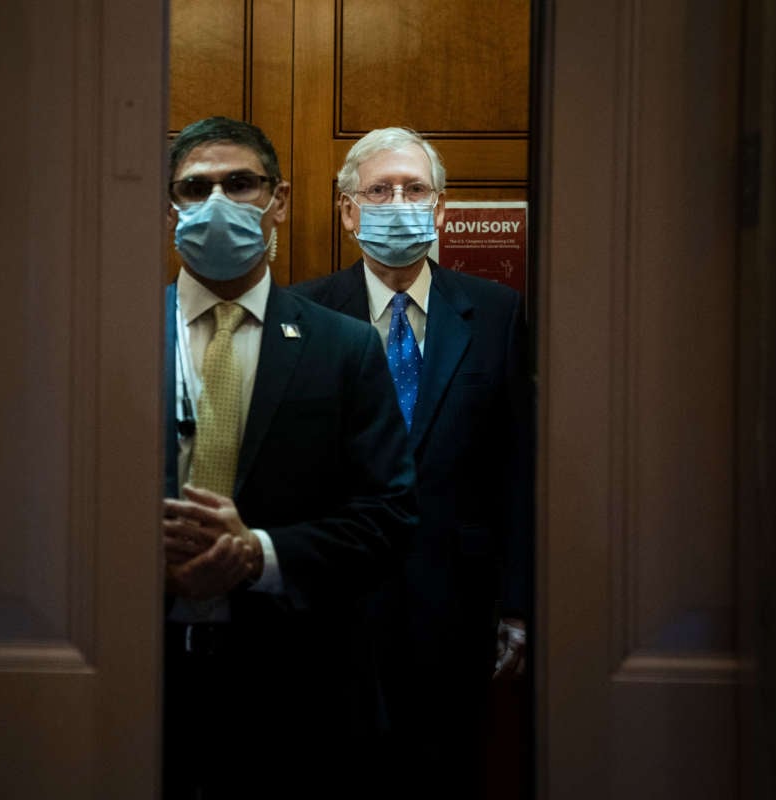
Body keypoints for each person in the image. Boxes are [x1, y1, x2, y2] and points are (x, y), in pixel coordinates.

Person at [160, 116, 417, 799]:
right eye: (195, 188)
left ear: (278, 201)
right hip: (141, 687)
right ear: (170, 207)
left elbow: (389, 515)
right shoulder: (110, 337)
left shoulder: (345, 347)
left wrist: (259, 555)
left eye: (240, 183)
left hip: (300, 691)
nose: (216, 202)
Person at [294, 127, 535, 798]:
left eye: (414, 189)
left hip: (456, 607)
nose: (397, 202)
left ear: (441, 209)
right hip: (333, 607)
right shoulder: (303, 314)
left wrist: (517, 605)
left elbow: (518, 468)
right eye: (378, 190)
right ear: (347, 210)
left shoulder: (495, 313)